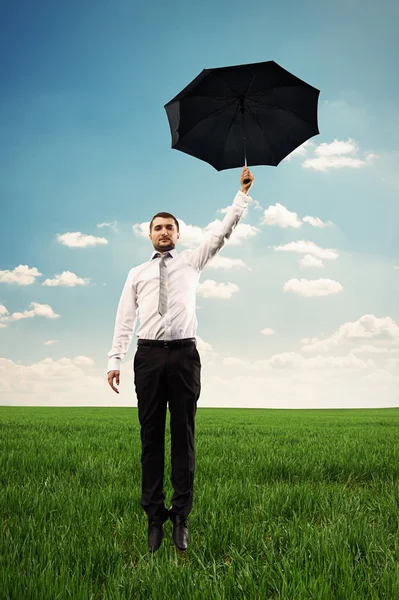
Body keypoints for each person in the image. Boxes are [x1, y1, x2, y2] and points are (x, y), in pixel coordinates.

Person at [107, 166, 255, 553]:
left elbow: (221, 233)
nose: (163, 232)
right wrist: (114, 359)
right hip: (149, 357)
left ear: (177, 233)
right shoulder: (136, 274)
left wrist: (241, 195)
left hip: (185, 355)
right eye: (158, 227)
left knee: (184, 438)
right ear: (149, 234)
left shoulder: (192, 261)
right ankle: (154, 518)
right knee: (151, 437)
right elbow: (125, 319)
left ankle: (181, 517)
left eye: (169, 227)